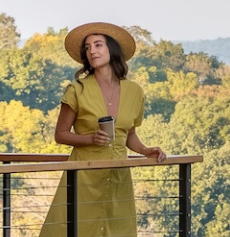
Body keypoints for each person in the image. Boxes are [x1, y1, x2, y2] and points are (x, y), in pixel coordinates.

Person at [39, 22, 166, 237]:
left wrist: (146, 151)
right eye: (88, 48)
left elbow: (129, 134)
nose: (92, 51)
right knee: (72, 229)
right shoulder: (77, 89)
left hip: (118, 178)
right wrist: (90, 140)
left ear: (112, 50)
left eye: (98, 45)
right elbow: (60, 135)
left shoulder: (135, 91)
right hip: (83, 177)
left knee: (118, 230)